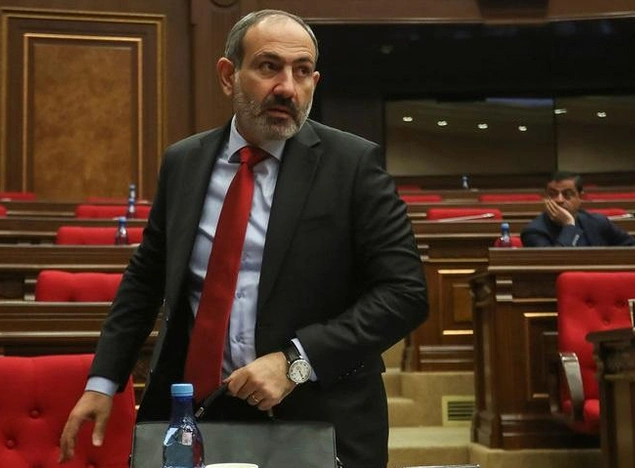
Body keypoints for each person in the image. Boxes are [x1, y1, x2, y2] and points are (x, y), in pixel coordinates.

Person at [59, 9, 428, 467]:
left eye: (302, 71)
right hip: (197, 416)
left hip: (319, 420)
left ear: (314, 81)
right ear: (228, 75)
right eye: (269, 66)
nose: (287, 87)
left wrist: (296, 362)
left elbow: (405, 294)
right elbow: (146, 278)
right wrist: (103, 382)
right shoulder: (184, 162)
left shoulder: (353, 165)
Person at [521, 171, 635, 247]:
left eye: (567, 194)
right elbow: (556, 262)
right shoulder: (534, 231)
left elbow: (631, 246)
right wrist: (569, 225)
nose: (559, 200)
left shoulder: (597, 222)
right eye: (553, 194)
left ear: (580, 197)